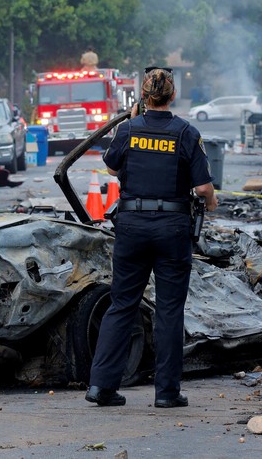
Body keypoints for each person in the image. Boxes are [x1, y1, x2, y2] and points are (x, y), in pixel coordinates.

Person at [85, 67, 218, 409]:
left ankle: (101, 386)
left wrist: (131, 123)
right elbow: (203, 188)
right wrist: (211, 201)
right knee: (170, 311)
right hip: (172, 228)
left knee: (122, 305)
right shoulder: (186, 132)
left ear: (143, 97)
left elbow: (113, 168)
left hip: (131, 226)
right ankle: (166, 393)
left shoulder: (129, 129)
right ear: (173, 96)